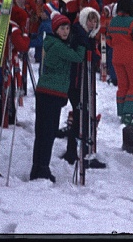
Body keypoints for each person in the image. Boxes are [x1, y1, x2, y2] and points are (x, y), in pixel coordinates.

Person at [30, 13, 86, 182]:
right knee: (47, 133)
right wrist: (82, 43)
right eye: (62, 28)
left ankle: (37, 167)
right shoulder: (58, 46)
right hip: (51, 93)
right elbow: (78, 57)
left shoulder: (54, 43)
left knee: (42, 132)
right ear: (55, 29)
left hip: (47, 92)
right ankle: (42, 168)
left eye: (68, 28)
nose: (65, 31)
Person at [60, 7, 106, 169]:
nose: (92, 24)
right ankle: (79, 152)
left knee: (83, 116)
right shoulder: (80, 35)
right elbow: (87, 55)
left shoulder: (86, 35)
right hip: (78, 82)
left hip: (82, 82)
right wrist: (94, 54)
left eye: (95, 21)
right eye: (90, 20)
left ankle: (76, 151)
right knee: (82, 117)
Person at [107, 0, 133, 127]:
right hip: (131, 58)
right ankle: (129, 115)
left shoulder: (112, 22)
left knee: (123, 85)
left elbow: (109, 41)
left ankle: (121, 111)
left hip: (116, 57)